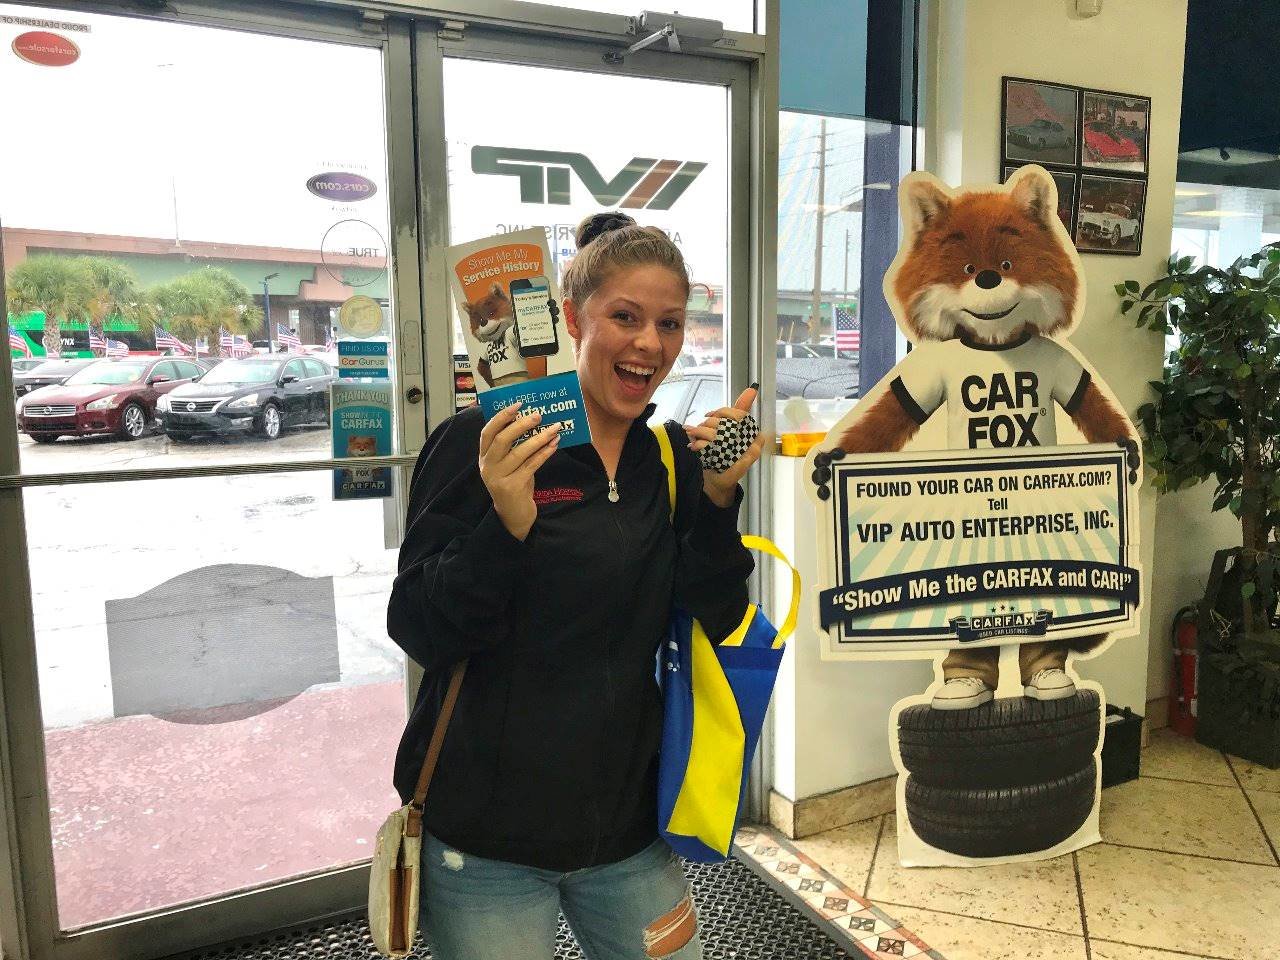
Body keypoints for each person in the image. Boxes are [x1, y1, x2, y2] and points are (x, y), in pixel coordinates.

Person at [386, 211, 764, 960]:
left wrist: (719, 497)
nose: (650, 343)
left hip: (628, 836)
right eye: (625, 316)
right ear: (570, 320)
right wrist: (506, 524)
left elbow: (719, 616)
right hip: (487, 847)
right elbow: (419, 626)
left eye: (669, 323)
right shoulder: (484, 444)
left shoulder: (666, 460)